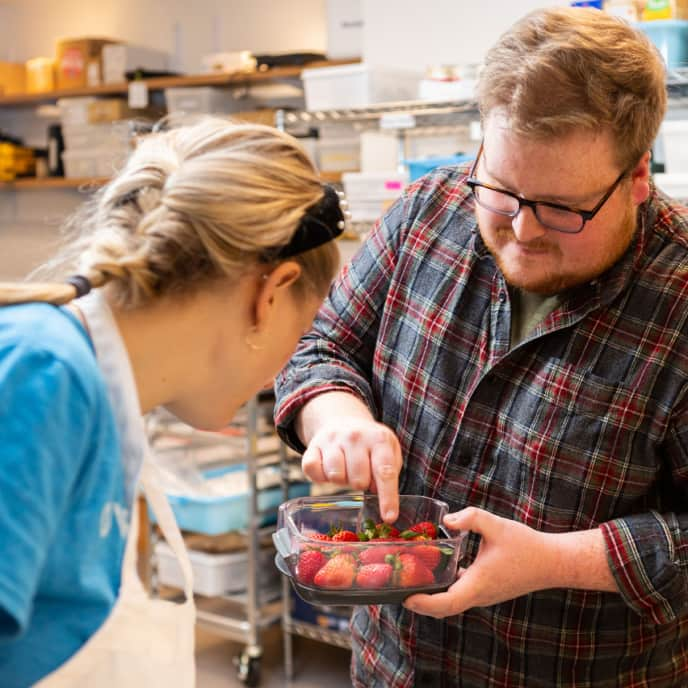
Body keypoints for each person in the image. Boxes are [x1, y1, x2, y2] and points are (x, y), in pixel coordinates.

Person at [273, 7, 688, 687]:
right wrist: (337, 415)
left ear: (637, 175)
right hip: (394, 666)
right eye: (499, 189)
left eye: (562, 207)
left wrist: (555, 560)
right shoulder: (426, 213)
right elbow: (324, 348)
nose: (522, 231)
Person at [0, 117, 343, 687]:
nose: (285, 366)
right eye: (302, 330)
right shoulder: (45, 377)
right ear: (270, 294)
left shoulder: (99, 395)